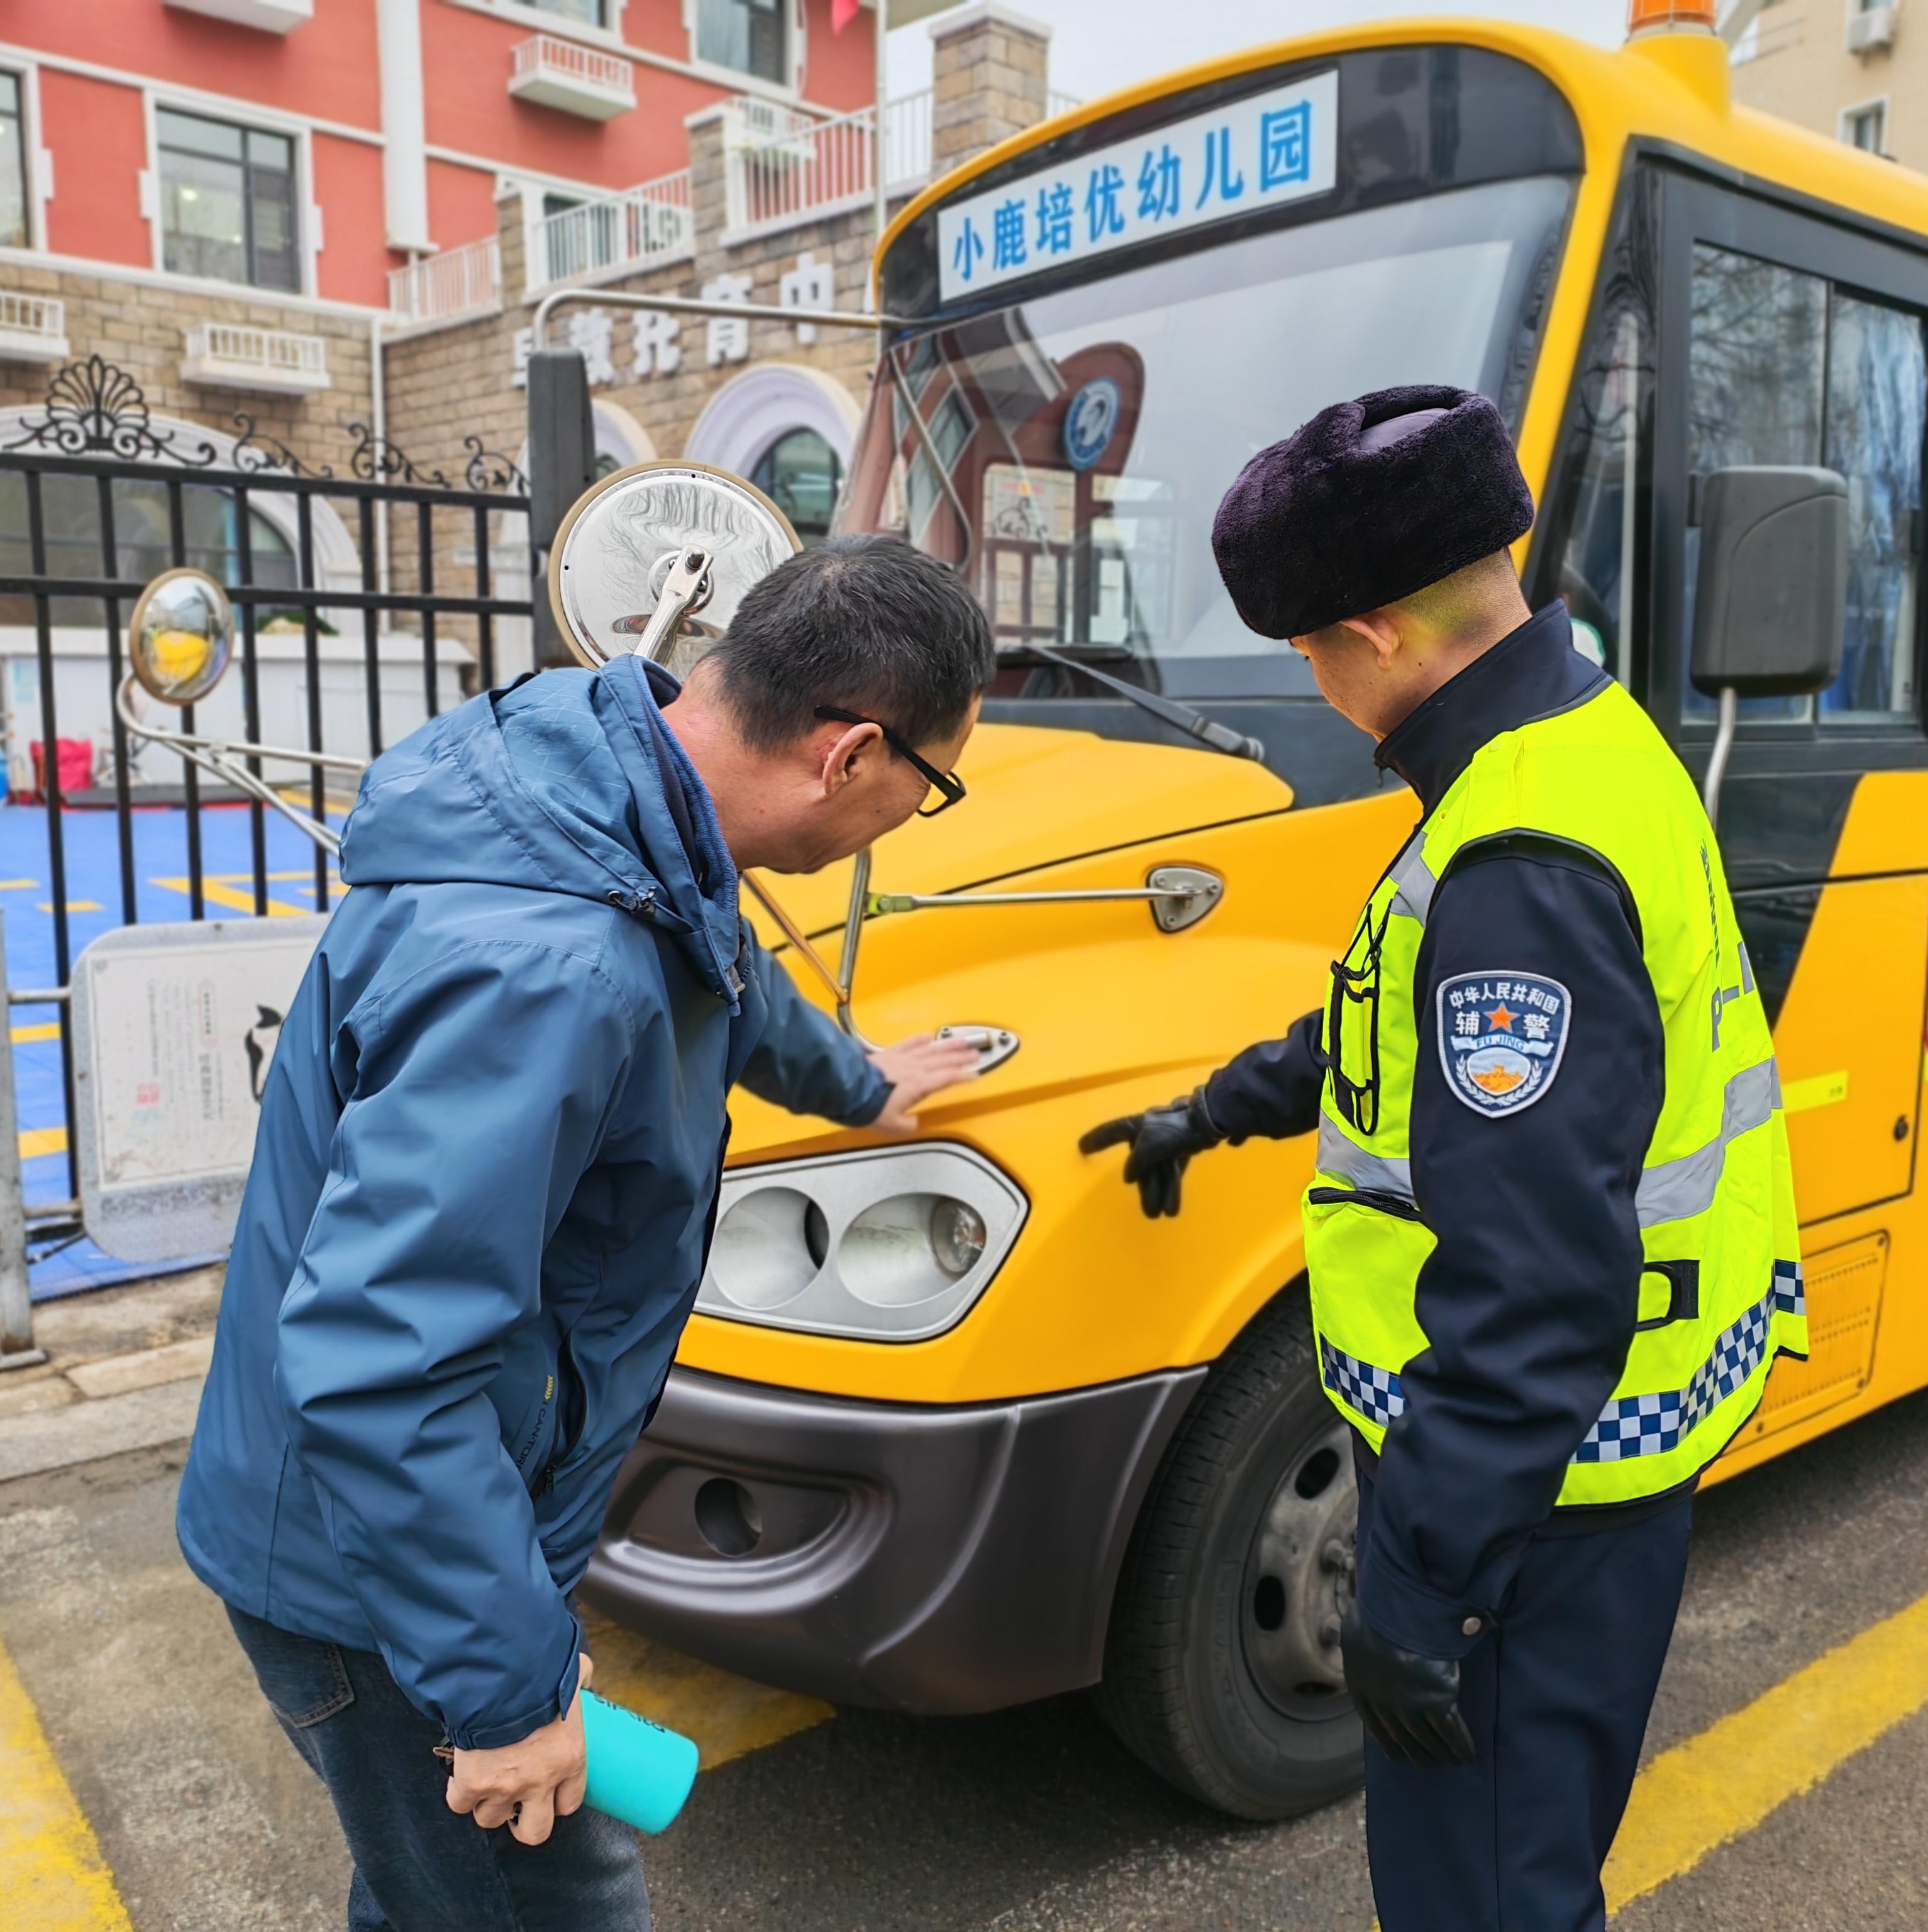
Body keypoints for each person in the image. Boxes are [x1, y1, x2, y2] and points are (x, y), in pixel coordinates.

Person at [178, 535, 995, 1931]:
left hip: (412, 1534)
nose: (912, 817)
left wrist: (859, 1083)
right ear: (853, 754)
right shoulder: (549, 969)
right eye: (933, 787)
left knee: (434, 1898)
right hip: (376, 1575)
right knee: (546, 1907)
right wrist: (505, 1695)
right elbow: (379, 1363)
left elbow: (721, 965)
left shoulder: (617, 785)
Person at [1082, 387, 1803, 1929]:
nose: (1317, 683)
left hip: (1534, 1504)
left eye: (1309, 652)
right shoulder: (1578, 740)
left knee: (1485, 1900)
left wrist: (1421, 1577)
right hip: (1583, 1467)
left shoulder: (1517, 857)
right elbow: (1401, 1025)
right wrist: (1217, 1109)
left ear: (1378, 635)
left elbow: (1535, 1281)